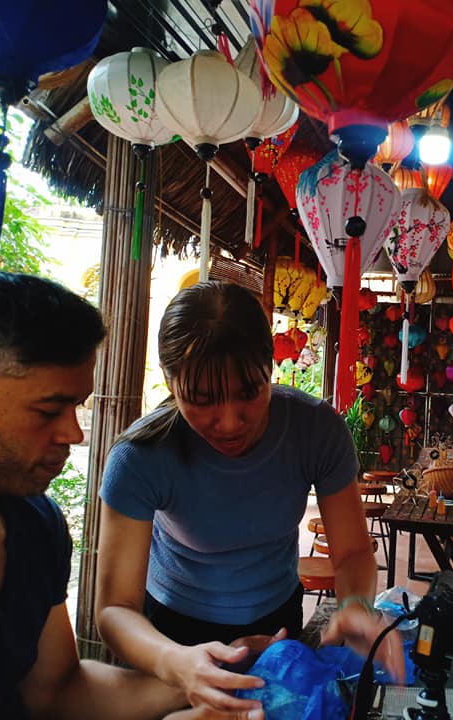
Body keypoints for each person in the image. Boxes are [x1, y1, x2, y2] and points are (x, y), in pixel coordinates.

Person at [0, 270, 241, 720]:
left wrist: (216, 678)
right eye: (47, 411)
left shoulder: (34, 521)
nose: (74, 434)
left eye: (76, 406)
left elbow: (58, 690)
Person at [95, 280, 403, 715]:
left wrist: (355, 604)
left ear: (269, 366)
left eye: (248, 393)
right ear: (169, 380)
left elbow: (352, 552)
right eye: (202, 400)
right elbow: (115, 609)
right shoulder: (142, 456)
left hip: (274, 626)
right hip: (170, 637)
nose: (228, 423)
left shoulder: (314, 430)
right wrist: (176, 662)